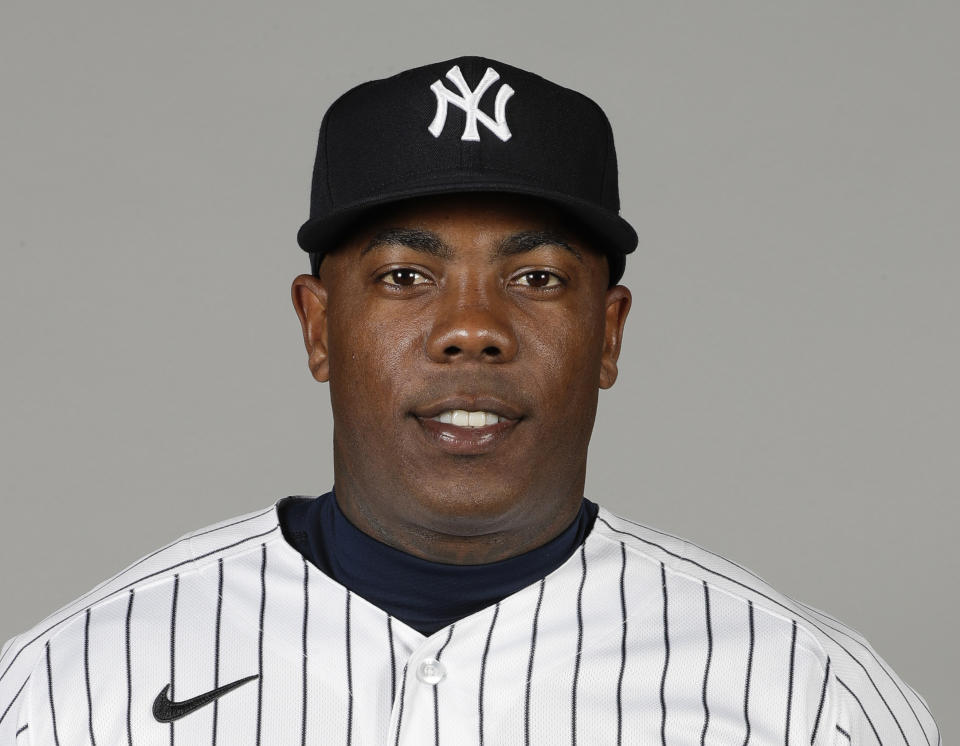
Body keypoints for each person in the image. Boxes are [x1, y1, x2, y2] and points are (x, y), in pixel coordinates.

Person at [0, 55, 938, 745]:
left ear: (608, 334)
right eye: (407, 275)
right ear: (318, 326)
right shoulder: (73, 685)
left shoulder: (809, 700)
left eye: (534, 279)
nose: (472, 328)